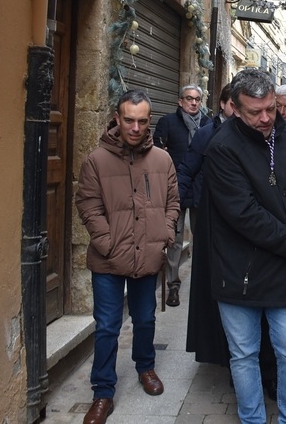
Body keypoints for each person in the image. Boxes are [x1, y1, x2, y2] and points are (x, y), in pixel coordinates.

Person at [199, 69, 286, 424]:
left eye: (270, 109)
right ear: (234, 107)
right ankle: (253, 420)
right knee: (244, 354)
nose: (265, 119)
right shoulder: (221, 148)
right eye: (254, 112)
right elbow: (245, 215)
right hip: (238, 269)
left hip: (284, 265)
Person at [76, 90, 179, 424]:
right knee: (107, 326)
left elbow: (173, 202)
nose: (135, 127)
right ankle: (103, 392)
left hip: (147, 254)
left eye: (142, 121)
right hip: (108, 258)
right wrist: (106, 242)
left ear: (149, 121)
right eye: (129, 120)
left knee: (145, 318)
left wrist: (165, 232)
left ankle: (145, 366)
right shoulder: (96, 160)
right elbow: (88, 205)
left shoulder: (162, 160)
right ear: (117, 118)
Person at [153, 84, 210, 307]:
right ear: (180, 101)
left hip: (201, 189)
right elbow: (156, 149)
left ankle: (202, 283)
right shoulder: (168, 122)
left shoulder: (207, 124)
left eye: (197, 99)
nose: (193, 103)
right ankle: (173, 286)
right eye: (189, 99)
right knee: (174, 240)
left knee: (202, 237)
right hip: (174, 188)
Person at [177, 83, 235, 236]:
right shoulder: (205, 133)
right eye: (233, 104)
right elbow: (187, 170)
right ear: (222, 104)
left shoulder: (249, 134)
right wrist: (175, 203)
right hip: (205, 205)